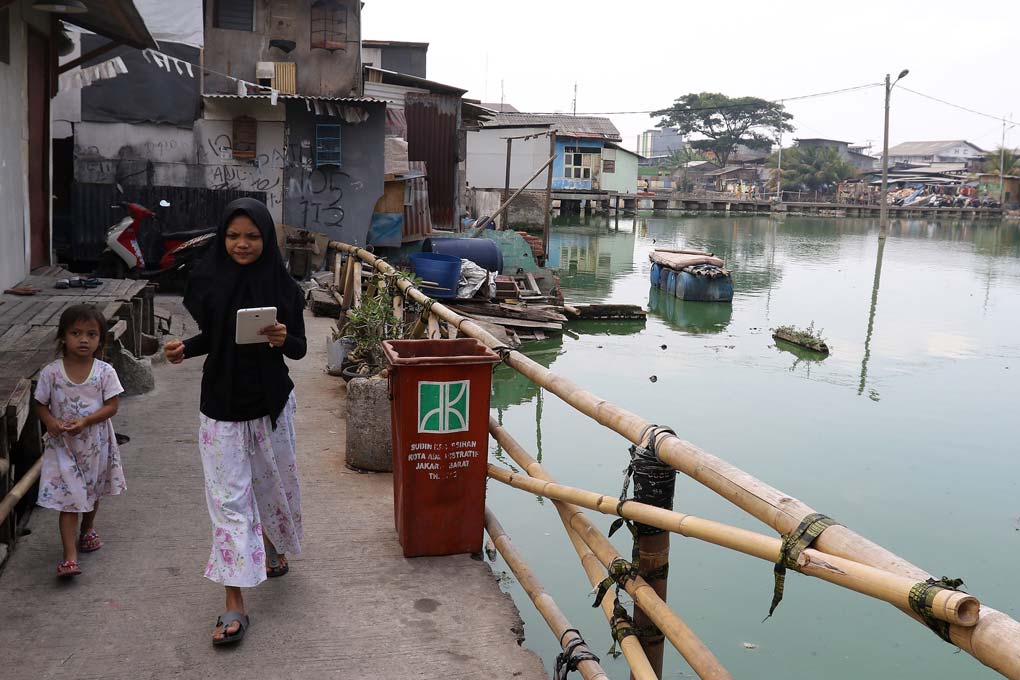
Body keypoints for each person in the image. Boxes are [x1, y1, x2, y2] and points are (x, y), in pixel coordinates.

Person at [163, 198, 306, 646]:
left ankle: (273, 548)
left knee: (273, 485)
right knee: (229, 503)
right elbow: (218, 337)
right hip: (221, 405)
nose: (242, 244)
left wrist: (282, 338)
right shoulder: (208, 281)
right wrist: (185, 348)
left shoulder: (282, 287)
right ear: (222, 237)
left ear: (267, 238)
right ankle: (234, 602)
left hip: (270, 405)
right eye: (233, 235)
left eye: (252, 236)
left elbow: (299, 348)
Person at [34, 305, 126, 578]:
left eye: (91, 334)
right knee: (69, 500)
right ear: (63, 336)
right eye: (76, 333)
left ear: (100, 339)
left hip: (95, 444)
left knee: (92, 493)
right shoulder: (51, 373)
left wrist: (86, 421)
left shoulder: (104, 371)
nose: (84, 339)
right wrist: (50, 422)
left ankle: (87, 530)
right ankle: (70, 557)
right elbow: (40, 404)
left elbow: (112, 406)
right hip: (63, 446)